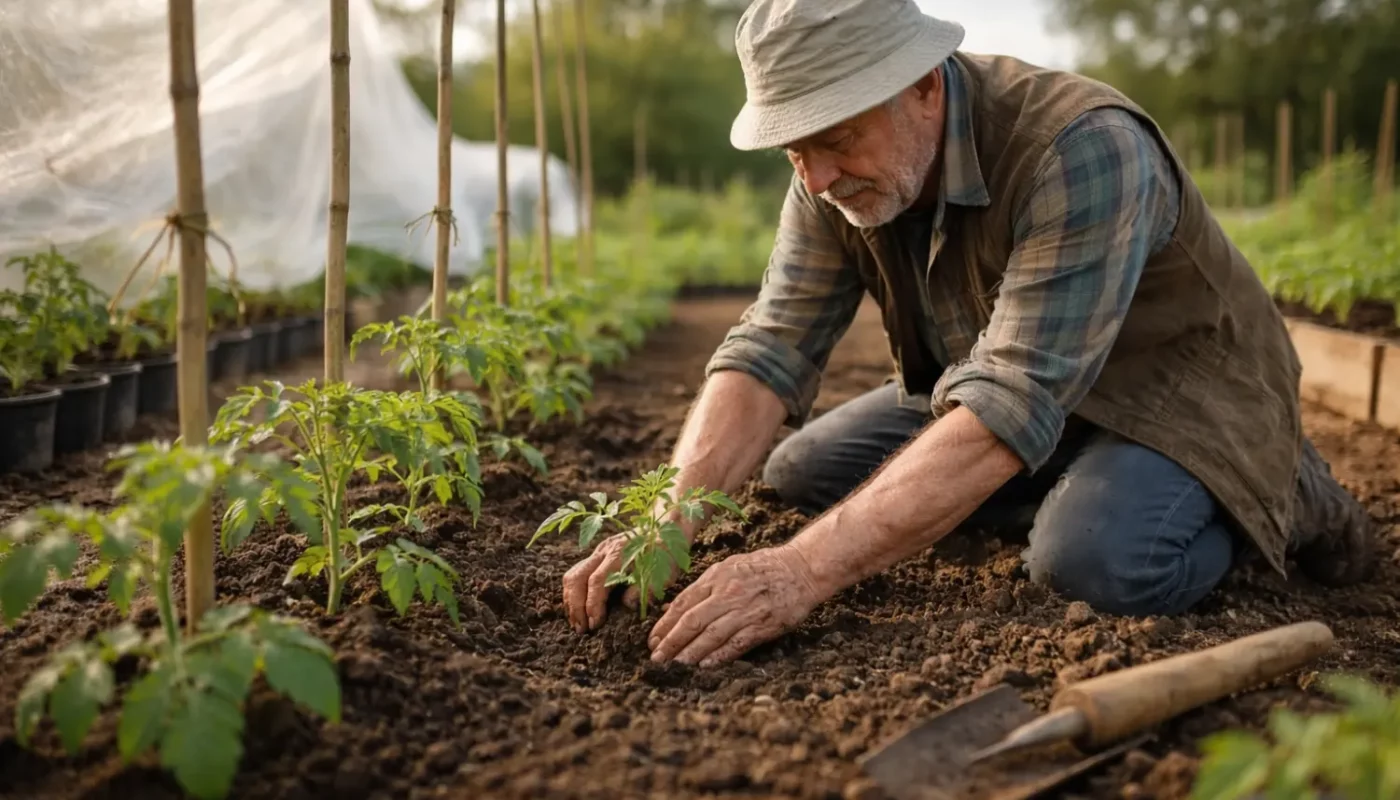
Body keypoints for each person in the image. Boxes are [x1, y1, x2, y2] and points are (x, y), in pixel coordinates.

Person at [556, 0, 1376, 668]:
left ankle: (1274, 491)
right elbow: (772, 344)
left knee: (1091, 565)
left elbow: (1013, 396)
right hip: (1031, 392)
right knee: (802, 467)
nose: (816, 177)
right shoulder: (826, 177)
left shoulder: (1081, 146)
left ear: (922, 86)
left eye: (837, 138)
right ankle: (1079, 487)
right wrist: (670, 519)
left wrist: (799, 571)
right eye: (793, 150)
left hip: (1179, 395)